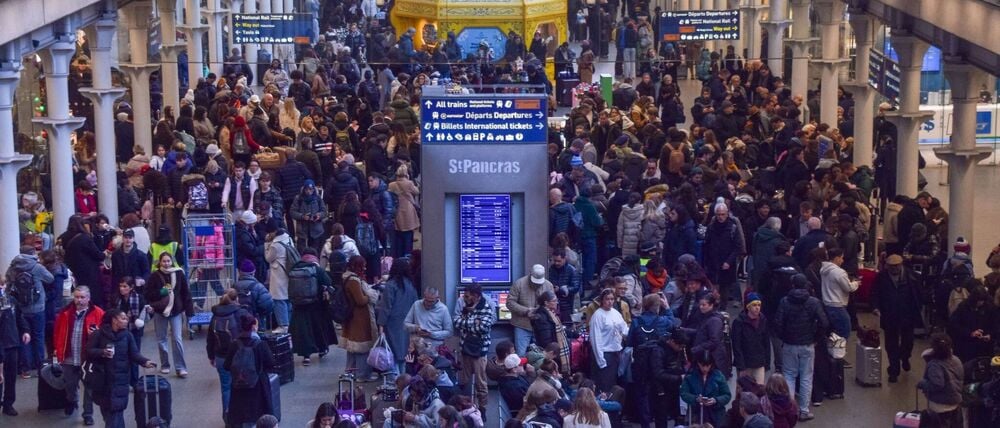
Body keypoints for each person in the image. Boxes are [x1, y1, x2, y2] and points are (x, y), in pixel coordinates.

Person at [86, 309, 156, 428]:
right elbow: (88, 351)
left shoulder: (127, 335)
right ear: (114, 320)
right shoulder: (98, 334)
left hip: (121, 381)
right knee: (109, 413)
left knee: (115, 412)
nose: (126, 320)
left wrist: (145, 361)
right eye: (123, 318)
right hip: (103, 381)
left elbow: (134, 354)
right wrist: (102, 352)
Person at [773, 273, 828, 421]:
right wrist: (816, 338)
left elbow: (778, 323)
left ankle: (790, 410)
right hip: (807, 344)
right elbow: (824, 323)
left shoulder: (785, 301)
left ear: (793, 285)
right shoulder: (814, 302)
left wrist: (784, 337)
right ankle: (804, 411)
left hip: (789, 344)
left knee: (789, 375)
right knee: (806, 377)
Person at [54, 286, 105, 425]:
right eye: (76, 297)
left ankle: (88, 414)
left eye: (82, 297)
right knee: (70, 385)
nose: (79, 300)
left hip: (87, 358)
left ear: (88, 298)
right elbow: (57, 332)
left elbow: (104, 333)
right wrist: (56, 349)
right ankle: (72, 400)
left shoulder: (98, 313)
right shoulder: (65, 312)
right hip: (69, 357)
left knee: (89, 388)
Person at [871, 254, 922, 383]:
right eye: (891, 266)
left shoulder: (911, 276)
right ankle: (894, 369)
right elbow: (875, 293)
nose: (894, 268)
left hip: (908, 314)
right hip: (889, 315)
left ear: (901, 264)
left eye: (896, 266)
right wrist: (875, 307)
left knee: (908, 341)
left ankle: (905, 357)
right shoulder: (881, 277)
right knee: (891, 343)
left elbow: (919, 293)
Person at [144, 252, 194, 378]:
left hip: (176, 310)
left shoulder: (179, 273)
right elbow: (148, 294)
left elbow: (186, 292)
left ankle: (180, 367)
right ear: (160, 262)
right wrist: (161, 292)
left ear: (172, 262)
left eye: (168, 261)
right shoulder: (154, 276)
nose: (166, 263)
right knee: (161, 339)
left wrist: (189, 311)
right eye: (164, 261)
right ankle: (165, 365)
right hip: (160, 311)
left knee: (177, 339)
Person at [5, 245, 53, 378]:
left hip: (20, 308)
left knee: (24, 337)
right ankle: (39, 367)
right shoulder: (36, 267)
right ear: (32, 253)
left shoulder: (13, 267)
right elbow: (50, 278)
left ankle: (25, 368)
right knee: (38, 336)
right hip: (38, 307)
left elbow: (8, 285)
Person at [224, 312, 277, 428]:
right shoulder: (261, 344)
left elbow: (226, 365)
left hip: (238, 386)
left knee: (240, 417)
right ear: (253, 327)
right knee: (258, 416)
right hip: (258, 386)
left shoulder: (234, 344)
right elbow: (271, 363)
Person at [206, 288, 248, 424]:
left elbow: (210, 338)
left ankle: (228, 418)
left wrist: (211, 356)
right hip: (238, 356)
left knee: (226, 388)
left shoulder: (215, 315)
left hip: (220, 357)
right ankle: (242, 417)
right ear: (236, 299)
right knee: (242, 386)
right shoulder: (240, 313)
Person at [289, 247, 336, 366]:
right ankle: (322, 349)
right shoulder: (316, 269)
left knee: (304, 331)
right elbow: (328, 281)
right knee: (318, 328)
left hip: (299, 305)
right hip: (316, 305)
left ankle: (306, 356)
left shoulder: (295, 268)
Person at [453, 283, 496, 411]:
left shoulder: (486, 307)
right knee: (463, 381)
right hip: (464, 348)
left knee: (480, 383)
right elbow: (456, 322)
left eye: (467, 296)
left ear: (476, 296)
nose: (464, 298)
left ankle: (482, 409)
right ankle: (464, 407)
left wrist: (466, 323)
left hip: (479, 351)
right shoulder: (463, 305)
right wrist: (474, 322)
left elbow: (483, 328)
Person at [377, 257, 419, 376]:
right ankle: (404, 377)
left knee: (392, 352)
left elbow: (386, 307)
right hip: (408, 322)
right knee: (405, 352)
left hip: (393, 323)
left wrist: (381, 324)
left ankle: (396, 379)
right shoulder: (411, 284)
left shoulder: (391, 285)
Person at [341, 256, 380, 381]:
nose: (365, 268)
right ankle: (362, 375)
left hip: (351, 316)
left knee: (352, 349)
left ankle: (350, 373)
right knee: (362, 347)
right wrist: (371, 295)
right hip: (359, 317)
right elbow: (360, 300)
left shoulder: (346, 277)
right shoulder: (354, 280)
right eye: (363, 265)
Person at [917, 334, 964, 428]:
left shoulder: (935, 365)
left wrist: (922, 383)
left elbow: (937, 385)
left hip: (940, 405)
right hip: (955, 401)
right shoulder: (956, 360)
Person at [704, 202, 746, 306]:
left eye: (723, 214)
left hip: (727, 263)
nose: (720, 217)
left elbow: (737, 246)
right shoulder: (711, 227)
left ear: (727, 214)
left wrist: (729, 261)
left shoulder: (732, 228)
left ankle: (723, 308)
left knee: (725, 289)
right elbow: (706, 245)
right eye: (718, 214)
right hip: (713, 262)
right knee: (712, 289)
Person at [508, 264, 555, 356]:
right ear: (530, 274)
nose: (537, 284)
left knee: (542, 355)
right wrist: (526, 311)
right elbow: (510, 303)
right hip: (522, 325)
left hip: (541, 326)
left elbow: (552, 303)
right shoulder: (519, 284)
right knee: (521, 354)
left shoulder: (548, 285)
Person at [589, 288, 629, 394]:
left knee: (614, 384)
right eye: (607, 299)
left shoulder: (616, 313)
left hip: (616, 353)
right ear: (602, 300)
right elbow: (596, 339)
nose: (610, 302)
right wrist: (601, 360)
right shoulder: (598, 315)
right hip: (604, 354)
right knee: (604, 385)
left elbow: (624, 329)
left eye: (612, 299)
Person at [0, 276, 30, 416]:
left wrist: (25, 331)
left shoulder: (11, 301)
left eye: (2, 285)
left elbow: (19, 317)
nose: (1, 288)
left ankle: (8, 404)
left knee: (11, 376)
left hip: (11, 343)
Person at [680, 350, 732, 426]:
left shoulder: (718, 375)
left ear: (711, 364)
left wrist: (716, 400)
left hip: (715, 414)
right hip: (696, 413)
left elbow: (727, 395)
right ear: (698, 363)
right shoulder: (690, 376)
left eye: (708, 366)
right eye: (702, 365)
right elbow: (684, 393)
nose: (705, 369)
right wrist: (696, 399)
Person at [688, 293, 732, 378]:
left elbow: (714, 341)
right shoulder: (706, 317)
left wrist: (697, 349)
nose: (701, 307)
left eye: (704, 305)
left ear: (711, 305)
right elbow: (701, 332)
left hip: (713, 360)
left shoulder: (714, 321)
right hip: (708, 358)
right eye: (700, 305)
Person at [819, 248, 857, 340]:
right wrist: (856, 283)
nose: (842, 260)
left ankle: (832, 347)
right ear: (836, 258)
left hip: (827, 303)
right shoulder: (839, 272)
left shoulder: (823, 269)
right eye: (841, 258)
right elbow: (848, 288)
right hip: (838, 305)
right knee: (844, 331)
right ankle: (838, 348)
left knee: (833, 331)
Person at [732, 292, 771, 385]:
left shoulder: (763, 320)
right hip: (745, 364)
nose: (757, 307)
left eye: (759, 305)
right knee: (744, 390)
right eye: (754, 305)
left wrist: (767, 363)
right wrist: (741, 366)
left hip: (759, 362)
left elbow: (766, 342)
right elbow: (736, 345)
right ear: (748, 307)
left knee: (760, 388)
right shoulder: (739, 322)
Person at [530, 291, 571, 373]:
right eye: (554, 301)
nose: (557, 303)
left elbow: (558, 329)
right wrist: (553, 352)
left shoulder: (550, 314)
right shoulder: (542, 317)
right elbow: (545, 339)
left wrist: (573, 333)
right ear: (546, 303)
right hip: (551, 352)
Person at [264, 225, 294, 334]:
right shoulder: (289, 239)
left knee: (278, 300)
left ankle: (283, 325)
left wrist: (267, 244)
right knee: (287, 299)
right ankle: (289, 324)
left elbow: (268, 258)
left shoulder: (275, 245)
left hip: (278, 275)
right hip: (288, 272)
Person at [404, 288, 453, 352]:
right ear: (424, 296)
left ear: (437, 298)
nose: (428, 303)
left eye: (431, 301)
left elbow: (449, 332)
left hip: (435, 349)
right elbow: (405, 324)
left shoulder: (443, 309)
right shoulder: (416, 304)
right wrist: (415, 328)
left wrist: (431, 334)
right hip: (417, 347)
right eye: (426, 300)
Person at [388, 165, 420, 258]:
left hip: (397, 210)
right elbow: (417, 192)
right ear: (406, 173)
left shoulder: (391, 185)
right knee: (408, 234)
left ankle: (399, 255)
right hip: (408, 210)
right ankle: (407, 255)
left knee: (398, 234)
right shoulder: (409, 183)